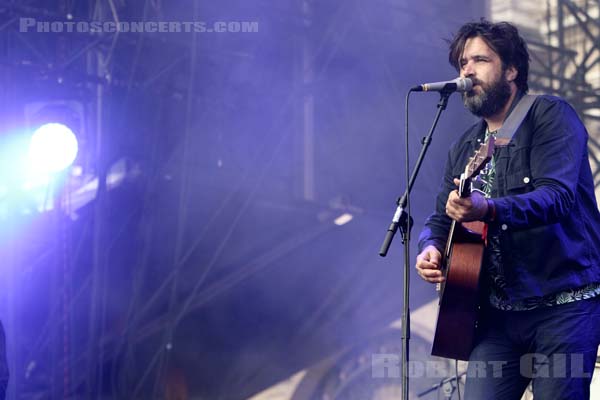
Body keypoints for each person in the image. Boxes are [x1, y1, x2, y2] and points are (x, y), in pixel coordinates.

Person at [415, 19, 600, 399]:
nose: (466, 70)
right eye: (462, 63)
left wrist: (489, 209)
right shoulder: (464, 147)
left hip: (564, 309)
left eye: (479, 60)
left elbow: (557, 197)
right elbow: (440, 217)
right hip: (496, 316)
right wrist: (429, 247)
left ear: (511, 69)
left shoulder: (550, 116)